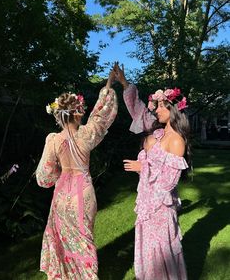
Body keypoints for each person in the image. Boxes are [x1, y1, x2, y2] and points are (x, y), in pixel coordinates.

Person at [36, 69, 118, 280]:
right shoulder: (87, 134)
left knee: (62, 239)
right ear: (78, 113)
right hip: (84, 192)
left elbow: (44, 177)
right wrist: (109, 85)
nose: (84, 111)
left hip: (62, 195)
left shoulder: (53, 140)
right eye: (81, 109)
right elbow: (101, 115)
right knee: (84, 239)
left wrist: (57, 175)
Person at [114, 63, 190, 280]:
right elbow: (138, 109)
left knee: (160, 254)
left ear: (173, 109)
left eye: (160, 107)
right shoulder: (157, 131)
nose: (155, 110)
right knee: (147, 251)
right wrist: (124, 83)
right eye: (155, 107)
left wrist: (142, 167)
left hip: (160, 208)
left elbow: (168, 183)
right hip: (146, 203)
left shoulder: (177, 141)